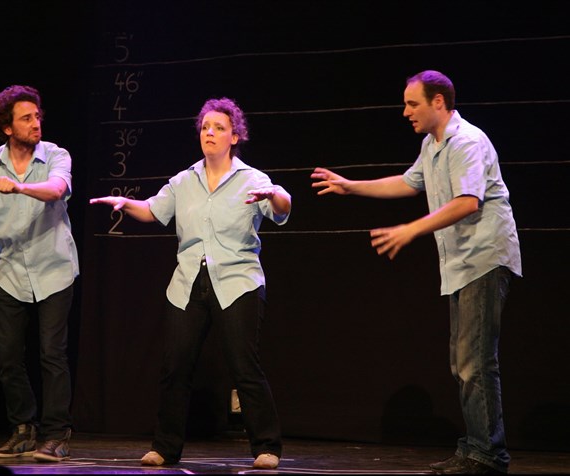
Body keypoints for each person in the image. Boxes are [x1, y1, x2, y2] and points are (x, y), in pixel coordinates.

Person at [311, 70, 521, 475]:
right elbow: (409, 183)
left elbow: (468, 201)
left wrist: (410, 229)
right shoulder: (432, 144)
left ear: (438, 102)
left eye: (412, 103)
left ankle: (487, 455)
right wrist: (351, 186)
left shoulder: (467, 141)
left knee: (475, 362)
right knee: (463, 362)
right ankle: (475, 449)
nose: (406, 111)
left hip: (484, 257)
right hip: (461, 263)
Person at [90, 97, 290, 470]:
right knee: (176, 367)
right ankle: (165, 447)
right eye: (205, 127)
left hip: (237, 281)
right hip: (188, 283)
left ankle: (267, 446)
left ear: (234, 136)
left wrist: (276, 196)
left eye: (219, 127)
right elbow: (153, 209)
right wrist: (125, 203)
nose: (209, 133)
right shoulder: (184, 181)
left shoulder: (252, 179)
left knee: (244, 366)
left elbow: (282, 207)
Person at [0, 85, 79, 463]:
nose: (36, 123)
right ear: (7, 127)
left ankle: (56, 433)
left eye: (37, 116)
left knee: (52, 353)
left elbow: (56, 189)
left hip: (54, 268)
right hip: (10, 272)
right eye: (26, 118)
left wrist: (20, 187)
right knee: (9, 357)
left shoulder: (56, 155)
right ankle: (23, 429)